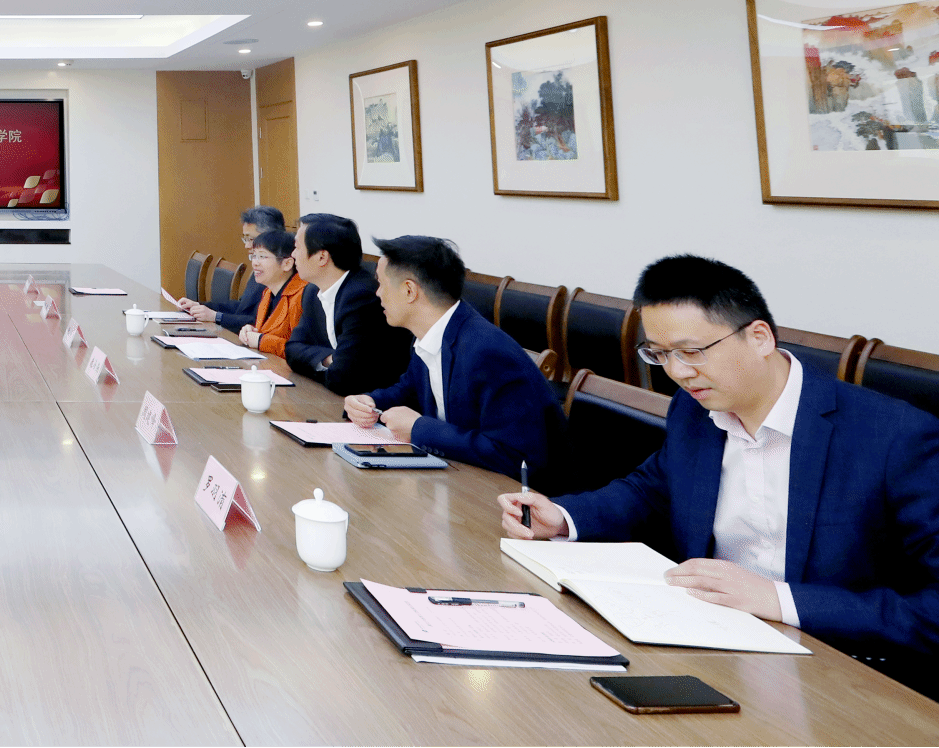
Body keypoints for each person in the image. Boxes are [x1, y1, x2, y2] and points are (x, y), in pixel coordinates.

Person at [500, 255, 939, 686]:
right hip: (711, 640)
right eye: (660, 354)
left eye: (692, 351)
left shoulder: (895, 438)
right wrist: (564, 518)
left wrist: (778, 600)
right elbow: (653, 489)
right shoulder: (694, 409)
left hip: (840, 669)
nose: (678, 372)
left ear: (760, 337)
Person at [342, 235, 563, 482]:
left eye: (381, 284)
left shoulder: (488, 352)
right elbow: (409, 390)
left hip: (507, 494)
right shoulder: (431, 333)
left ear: (409, 290)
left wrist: (419, 429)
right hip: (456, 478)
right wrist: (368, 402)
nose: (378, 293)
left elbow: (515, 457)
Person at [281, 213, 412, 396]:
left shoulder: (362, 296)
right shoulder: (312, 291)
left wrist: (322, 362)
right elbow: (292, 349)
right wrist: (329, 359)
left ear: (322, 257)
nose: (293, 254)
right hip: (334, 396)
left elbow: (343, 378)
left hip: (375, 402)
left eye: (296, 247)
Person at [176, 206, 287, 329]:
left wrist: (216, 317)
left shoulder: (283, 274)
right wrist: (200, 306)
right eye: (245, 239)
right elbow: (242, 308)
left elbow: (260, 322)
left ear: (271, 236)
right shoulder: (259, 267)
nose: (247, 245)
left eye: (251, 239)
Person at [231, 228, 308, 358]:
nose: (255, 263)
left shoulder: (302, 295)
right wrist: (251, 330)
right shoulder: (267, 292)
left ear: (287, 263)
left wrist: (261, 340)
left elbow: (304, 351)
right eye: (254, 256)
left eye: (262, 256)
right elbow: (266, 332)